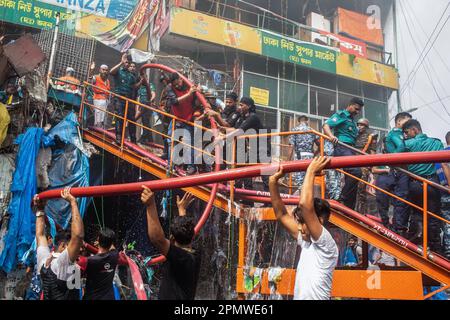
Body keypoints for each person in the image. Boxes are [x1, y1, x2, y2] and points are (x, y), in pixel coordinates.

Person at [269, 157, 339, 300]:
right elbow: (282, 215)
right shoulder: (306, 242)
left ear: (318, 221)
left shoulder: (326, 244)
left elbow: (305, 206)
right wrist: (272, 183)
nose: (299, 228)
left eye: (303, 223)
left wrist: (311, 171)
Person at [141, 188, 201, 300]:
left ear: (172, 239)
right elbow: (184, 229)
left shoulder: (180, 257)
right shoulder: (195, 253)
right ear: (192, 236)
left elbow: (157, 239)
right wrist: (182, 209)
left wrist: (151, 205)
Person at [403, 119, 446, 254]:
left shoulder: (407, 144)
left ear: (414, 130)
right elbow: (444, 164)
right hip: (432, 184)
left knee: (416, 214)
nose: (406, 135)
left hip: (415, 183)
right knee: (433, 216)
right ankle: (435, 248)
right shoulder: (436, 142)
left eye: (407, 132)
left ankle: (416, 243)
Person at [34, 187, 84, 300]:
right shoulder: (63, 262)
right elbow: (78, 236)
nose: (79, 250)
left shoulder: (45, 261)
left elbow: (40, 235)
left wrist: (40, 209)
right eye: (77, 247)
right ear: (63, 246)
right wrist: (73, 203)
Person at [323, 98, 364, 210]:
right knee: (356, 172)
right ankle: (342, 197)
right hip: (342, 147)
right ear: (350, 105)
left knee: (351, 179)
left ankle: (349, 209)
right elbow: (326, 125)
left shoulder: (352, 121)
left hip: (350, 149)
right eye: (356, 109)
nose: (357, 112)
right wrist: (331, 137)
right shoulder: (342, 115)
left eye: (359, 110)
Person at [380, 112, 413, 235]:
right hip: (399, 171)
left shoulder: (400, 135)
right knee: (401, 199)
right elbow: (400, 149)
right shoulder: (395, 135)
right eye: (407, 121)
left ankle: (399, 226)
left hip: (400, 171)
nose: (409, 124)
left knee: (402, 200)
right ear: (398, 122)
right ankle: (399, 228)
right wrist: (407, 145)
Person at [78, 228, 126, 300]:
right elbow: (110, 250)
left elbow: (73, 282)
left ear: (98, 239)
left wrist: (85, 245)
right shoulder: (115, 256)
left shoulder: (87, 261)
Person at [165, 72, 199, 174]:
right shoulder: (170, 88)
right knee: (171, 141)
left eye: (178, 82)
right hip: (176, 119)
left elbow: (197, 102)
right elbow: (174, 101)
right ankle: (171, 164)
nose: (177, 85)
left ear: (181, 79)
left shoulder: (190, 86)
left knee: (189, 144)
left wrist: (198, 92)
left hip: (188, 119)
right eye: (175, 84)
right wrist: (189, 94)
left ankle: (191, 167)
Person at [110, 54, 142, 144]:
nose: (127, 64)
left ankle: (133, 140)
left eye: (128, 62)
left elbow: (134, 87)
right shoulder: (119, 71)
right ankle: (119, 138)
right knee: (119, 117)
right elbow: (111, 72)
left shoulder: (131, 75)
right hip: (119, 97)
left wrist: (141, 82)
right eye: (126, 62)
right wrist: (121, 62)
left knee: (131, 119)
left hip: (128, 99)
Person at [355, 118, 378, 214]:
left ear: (366, 127)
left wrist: (373, 168)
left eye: (362, 125)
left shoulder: (370, 137)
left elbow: (372, 153)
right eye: (358, 125)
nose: (359, 126)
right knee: (353, 189)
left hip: (363, 166)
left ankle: (361, 213)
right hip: (352, 164)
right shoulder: (354, 136)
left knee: (361, 191)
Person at [435, 131, 450, 259]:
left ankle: (448, 252)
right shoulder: (446, 155)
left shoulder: (437, 157)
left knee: (447, 224)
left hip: (442, 194)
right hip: (448, 194)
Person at [90, 63, 111, 128]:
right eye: (103, 70)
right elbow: (90, 79)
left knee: (104, 117)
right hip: (98, 99)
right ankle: (97, 128)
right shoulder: (95, 77)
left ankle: (101, 129)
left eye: (106, 70)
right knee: (98, 116)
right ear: (100, 70)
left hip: (106, 100)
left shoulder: (107, 81)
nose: (105, 71)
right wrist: (91, 70)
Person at [135, 78, 155, 144]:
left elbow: (153, 94)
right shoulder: (140, 87)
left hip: (147, 105)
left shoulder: (150, 85)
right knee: (145, 123)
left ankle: (144, 138)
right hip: (141, 106)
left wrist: (150, 101)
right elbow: (138, 98)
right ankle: (150, 139)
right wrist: (137, 108)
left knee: (145, 121)